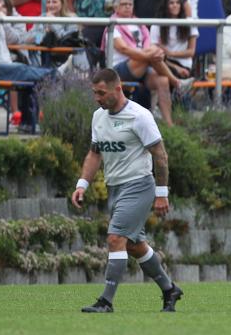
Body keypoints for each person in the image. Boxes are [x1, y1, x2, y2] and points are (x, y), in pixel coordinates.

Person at [72, 67, 183, 314]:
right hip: (115, 187)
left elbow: (160, 155)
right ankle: (169, 289)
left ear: (117, 89)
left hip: (139, 185)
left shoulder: (139, 116)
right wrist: (82, 184)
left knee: (115, 239)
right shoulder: (98, 117)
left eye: (101, 93)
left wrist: (161, 193)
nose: (97, 98)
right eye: (94, 93)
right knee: (134, 246)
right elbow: (94, 153)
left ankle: (106, 301)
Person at [107, 0, 192, 127]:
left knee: (162, 80)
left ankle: (169, 125)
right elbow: (124, 49)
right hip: (120, 69)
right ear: (116, 8)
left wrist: (151, 54)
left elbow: (149, 46)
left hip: (143, 67)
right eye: (124, 4)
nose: (128, 7)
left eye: (130, 4)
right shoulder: (112, 25)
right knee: (153, 52)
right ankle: (177, 82)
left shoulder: (139, 24)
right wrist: (149, 56)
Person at [0, 0, 56, 133]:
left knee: (31, 82)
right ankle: (54, 77)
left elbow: (14, 39)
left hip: (5, 65)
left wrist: (4, 20)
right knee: (37, 72)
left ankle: (28, 124)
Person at [151, 0, 199, 80]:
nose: (175, 5)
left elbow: (191, 52)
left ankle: (178, 82)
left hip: (183, 64)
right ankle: (179, 83)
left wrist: (170, 53)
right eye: (171, 3)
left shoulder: (189, 22)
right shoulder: (157, 24)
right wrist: (175, 66)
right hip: (164, 62)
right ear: (165, 5)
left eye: (178, 3)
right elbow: (154, 50)